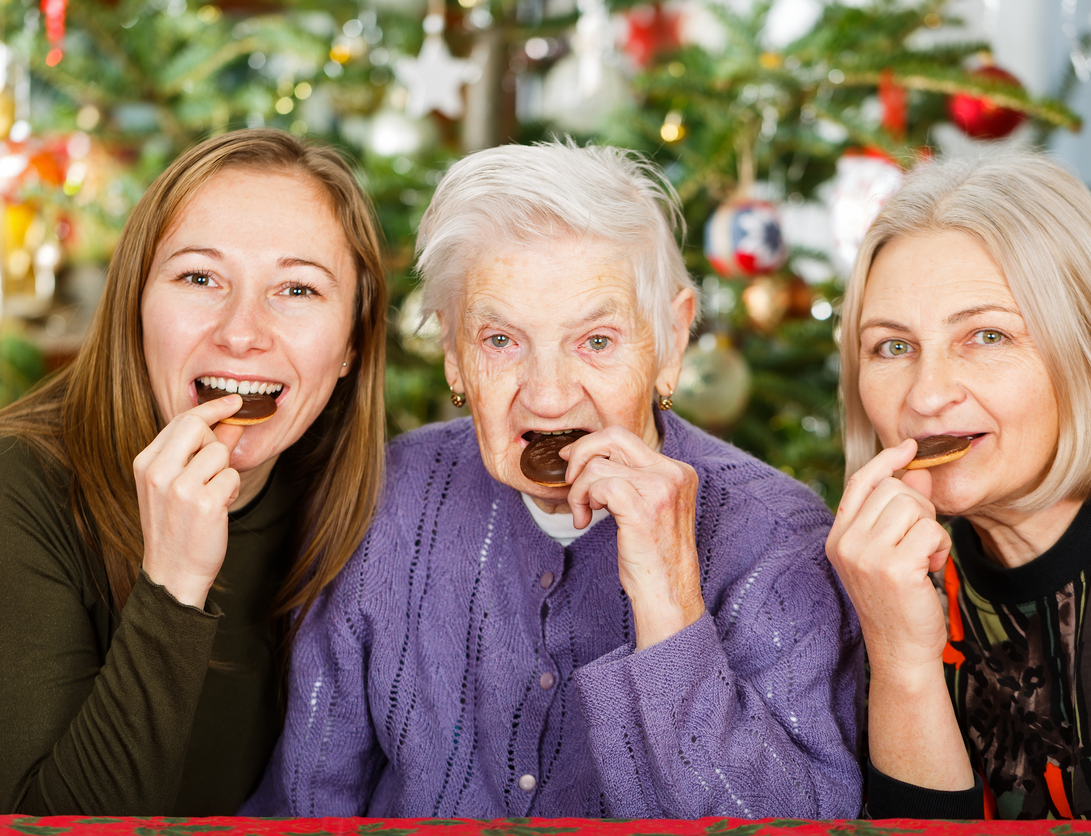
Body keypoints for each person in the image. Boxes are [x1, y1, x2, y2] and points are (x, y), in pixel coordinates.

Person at [242, 141, 862, 820]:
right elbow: (308, 798)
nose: (546, 396)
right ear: (453, 352)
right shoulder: (384, 499)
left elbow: (803, 825)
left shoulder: (778, 539)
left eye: (596, 341)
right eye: (500, 341)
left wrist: (670, 606)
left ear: (672, 341)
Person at [0, 128, 388, 815]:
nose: (242, 332)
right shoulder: (0, 489)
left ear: (351, 342)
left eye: (297, 288)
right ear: (135, 305)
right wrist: (172, 584)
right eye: (200, 277)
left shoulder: (351, 503)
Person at [825, 151, 1091, 820]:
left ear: (1090, 352)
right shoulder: (882, 576)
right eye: (893, 347)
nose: (926, 395)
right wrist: (901, 661)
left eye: (985, 336)